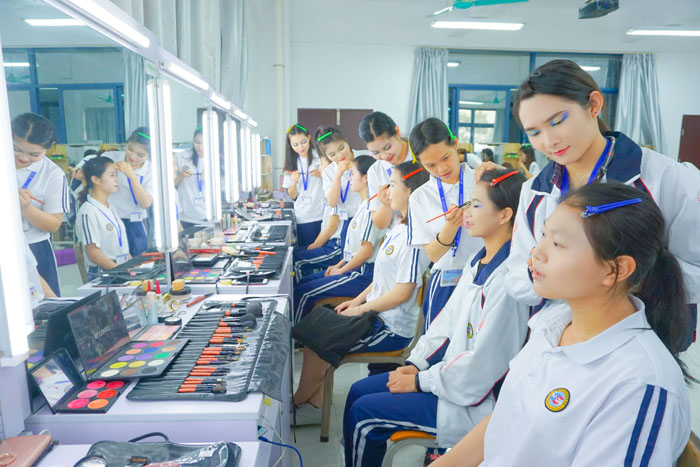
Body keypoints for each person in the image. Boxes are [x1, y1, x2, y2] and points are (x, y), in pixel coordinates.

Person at [433, 183, 692, 467]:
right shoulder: (551, 324)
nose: (536, 253)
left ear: (614, 269)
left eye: (558, 244)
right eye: (543, 235)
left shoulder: (638, 383)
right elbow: (507, 419)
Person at [478, 59, 700, 343]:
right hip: (563, 339)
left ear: (594, 105)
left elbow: (694, 271)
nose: (549, 141)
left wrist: (622, 276)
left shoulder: (667, 179)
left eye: (558, 121)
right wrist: (547, 272)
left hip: (645, 338)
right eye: (534, 133)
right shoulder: (535, 192)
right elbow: (517, 280)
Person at [343, 169, 529, 467]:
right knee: (357, 391)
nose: (466, 212)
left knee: (364, 414)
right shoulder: (478, 262)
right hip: (449, 380)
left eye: (476, 205)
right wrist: (416, 364)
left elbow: (481, 369)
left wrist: (421, 381)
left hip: (472, 402)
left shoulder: (506, 281)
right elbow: (445, 323)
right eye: (468, 203)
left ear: (505, 215)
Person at [293, 160, 431, 425]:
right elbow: (380, 278)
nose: (386, 191)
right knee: (316, 325)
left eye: (392, 185)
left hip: (391, 328)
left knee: (322, 339)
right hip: (374, 313)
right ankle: (313, 399)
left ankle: (298, 401)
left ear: (411, 192)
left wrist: (360, 308)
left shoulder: (415, 238)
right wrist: (356, 301)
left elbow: (402, 293)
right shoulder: (398, 227)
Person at [407, 118, 482, 329]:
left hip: (484, 276)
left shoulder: (482, 181)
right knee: (439, 340)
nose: (441, 169)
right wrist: (450, 227)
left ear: (455, 144)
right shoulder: (420, 197)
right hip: (446, 281)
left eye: (445, 158)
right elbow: (432, 255)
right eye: (430, 165)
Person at [294, 155, 381, 324]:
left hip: (361, 273)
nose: (349, 179)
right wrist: (339, 265)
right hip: (352, 266)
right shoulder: (362, 205)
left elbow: (365, 252)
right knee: (304, 283)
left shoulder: (371, 209)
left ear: (366, 178)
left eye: (352, 174)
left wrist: (341, 270)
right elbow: (355, 250)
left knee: (304, 293)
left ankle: (297, 336)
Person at [12, 113, 69, 296]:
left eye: (34, 154)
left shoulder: (53, 174)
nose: (23, 158)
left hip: (35, 246)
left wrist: (25, 208)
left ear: (49, 147)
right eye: (17, 149)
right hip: (5, 245)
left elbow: (53, 224)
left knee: (45, 305)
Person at [75, 156, 130, 281]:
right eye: (112, 175)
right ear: (96, 179)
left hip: (119, 268)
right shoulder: (88, 212)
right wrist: (122, 273)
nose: (116, 180)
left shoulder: (110, 207)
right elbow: (94, 254)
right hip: (104, 274)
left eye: (116, 175)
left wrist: (134, 267)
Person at [102, 128, 153, 256]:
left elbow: (145, 203)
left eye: (140, 155)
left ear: (148, 156)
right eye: (130, 149)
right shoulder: (109, 158)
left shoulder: (152, 169)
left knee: (137, 261)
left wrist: (132, 176)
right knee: (111, 258)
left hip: (136, 223)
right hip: (109, 219)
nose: (132, 156)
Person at [292, 149, 342, 281]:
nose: (319, 167)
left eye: (322, 164)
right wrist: (316, 243)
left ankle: (300, 290)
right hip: (329, 241)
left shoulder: (335, 194)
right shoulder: (328, 191)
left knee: (296, 261)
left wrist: (317, 243)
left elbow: (332, 227)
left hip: (335, 245)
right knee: (292, 254)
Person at [359, 111, 410, 230]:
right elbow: (380, 224)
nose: (385, 156)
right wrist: (386, 205)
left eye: (387, 147)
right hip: (400, 233)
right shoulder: (375, 171)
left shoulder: (420, 152)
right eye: (376, 152)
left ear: (397, 132)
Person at [318, 127, 363, 249]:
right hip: (345, 221)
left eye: (341, 148)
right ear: (326, 156)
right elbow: (332, 203)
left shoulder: (364, 158)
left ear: (346, 141)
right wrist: (338, 176)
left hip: (364, 217)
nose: (340, 155)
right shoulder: (329, 172)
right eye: (332, 154)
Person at [283, 123, 326, 248]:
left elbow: (334, 180)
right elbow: (292, 195)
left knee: (321, 251)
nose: (300, 147)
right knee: (306, 251)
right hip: (303, 216)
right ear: (290, 145)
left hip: (322, 213)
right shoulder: (291, 163)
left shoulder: (321, 157)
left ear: (309, 137)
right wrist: (294, 182)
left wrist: (322, 175)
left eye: (303, 142)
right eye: (295, 144)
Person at [175, 127, 207, 229]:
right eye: (197, 142)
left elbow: (224, 188)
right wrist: (180, 176)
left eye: (204, 143)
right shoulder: (180, 157)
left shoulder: (216, 159)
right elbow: (169, 185)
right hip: (186, 217)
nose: (200, 147)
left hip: (208, 215)